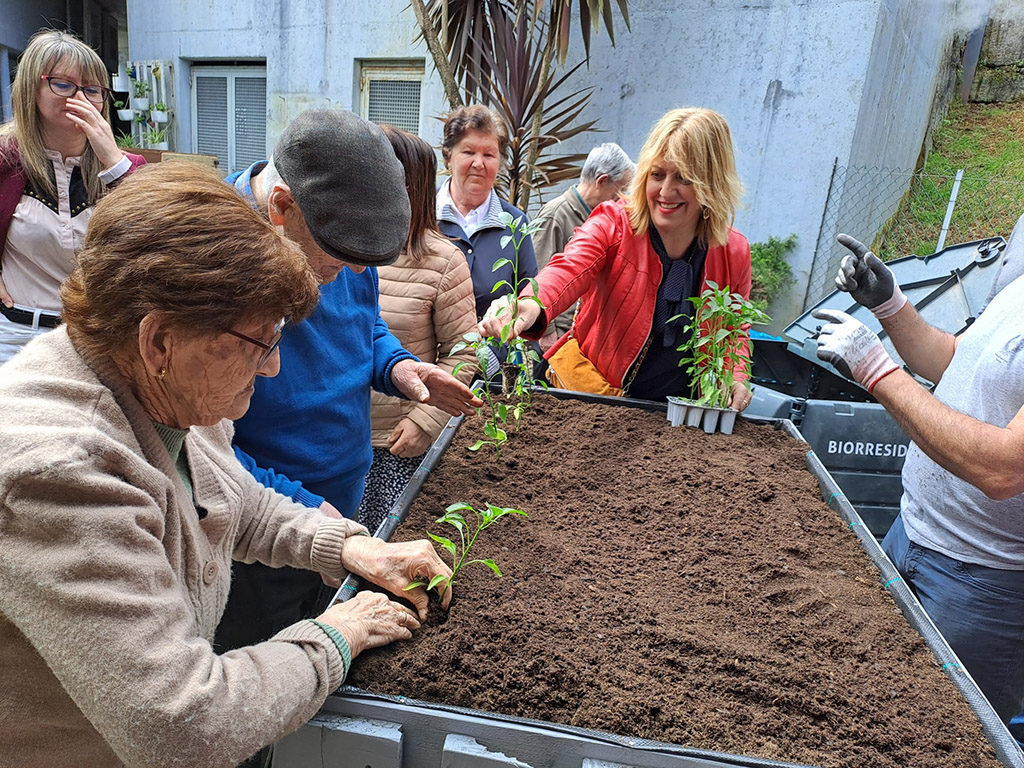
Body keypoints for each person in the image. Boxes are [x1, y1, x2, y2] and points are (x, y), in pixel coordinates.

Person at [0, 162, 453, 768]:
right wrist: (336, 636)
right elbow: (183, 724)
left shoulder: (166, 385)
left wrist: (347, 548)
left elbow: (233, 499)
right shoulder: (62, 475)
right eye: (260, 344)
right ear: (159, 340)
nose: (271, 369)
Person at [215, 109, 480, 654]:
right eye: (343, 262)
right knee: (268, 673)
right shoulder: (215, 261)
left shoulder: (334, 232)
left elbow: (365, 323)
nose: (357, 274)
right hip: (265, 529)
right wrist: (312, 521)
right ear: (282, 207)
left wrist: (399, 368)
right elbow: (201, 451)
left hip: (342, 504)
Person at [812, 232, 1024, 744]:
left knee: (941, 740)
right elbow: (956, 363)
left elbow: (1005, 471)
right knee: (865, 707)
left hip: (981, 585)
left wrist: (875, 371)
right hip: (911, 535)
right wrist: (891, 306)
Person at [479, 108, 754, 409]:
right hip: (594, 398)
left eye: (684, 178)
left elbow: (733, 331)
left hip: (680, 416)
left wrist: (735, 376)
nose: (665, 191)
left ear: (711, 183)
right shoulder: (614, 223)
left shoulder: (733, 251)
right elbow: (569, 267)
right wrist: (531, 304)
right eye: (657, 174)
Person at [356, 125, 478, 533]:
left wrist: (426, 421)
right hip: (336, 436)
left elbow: (464, 351)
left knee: (375, 550)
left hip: (391, 443)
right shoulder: (342, 250)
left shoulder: (443, 260)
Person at [0, 29, 145, 364]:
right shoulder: (6, 160)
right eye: (63, 84)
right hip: (13, 336)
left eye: (92, 89)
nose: (79, 97)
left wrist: (113, 159)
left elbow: (157, 240)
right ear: (30, 90)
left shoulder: (128, 169)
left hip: (95, 338)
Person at [437, 104, 538, 320]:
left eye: (489, 154)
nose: (478, 163)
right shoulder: (422, 212)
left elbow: (528, 297)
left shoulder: (514, 224)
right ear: (448, 156)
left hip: (491, 351)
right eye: (468, 152)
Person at [533, 142, 635, 350]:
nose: (623, 198)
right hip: (558, 335)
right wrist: (547, 333)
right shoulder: (556, 213)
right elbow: (535, 275)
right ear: (602, 181)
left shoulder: (607, 219)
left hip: (585, 334)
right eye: (621, 189)